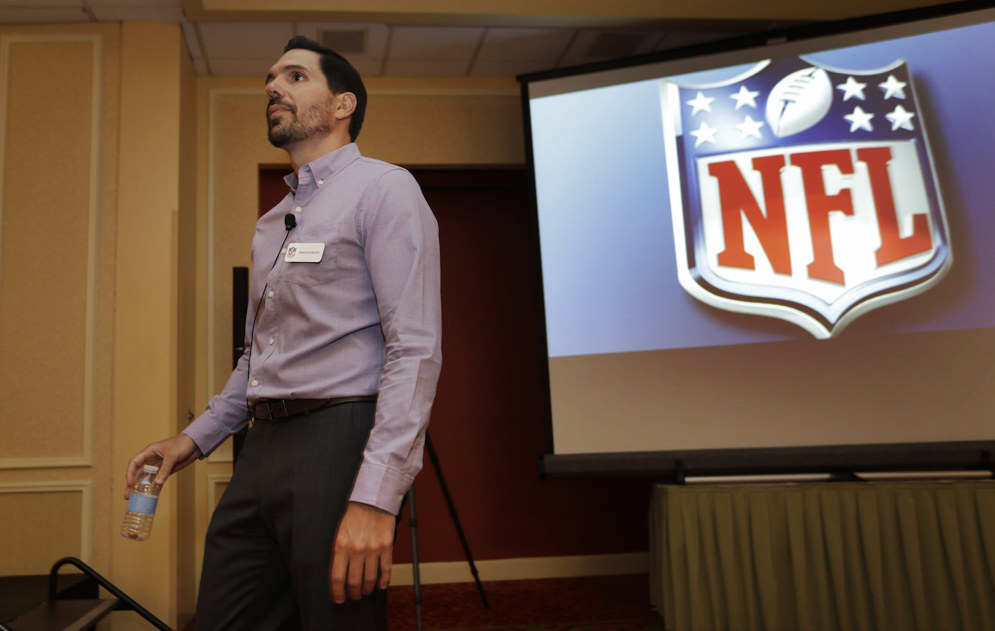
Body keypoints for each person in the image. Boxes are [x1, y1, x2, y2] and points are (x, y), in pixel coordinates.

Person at [124, 35, 442, 630]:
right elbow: (256, 358)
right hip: (261, 447)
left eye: (295, 77)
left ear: (343, 104)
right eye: (271, 78)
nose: (273, 87)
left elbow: (415, 350)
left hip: (338, 439)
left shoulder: (384, 189)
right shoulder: (272, 224)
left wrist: (377, 497)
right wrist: (189, 441)